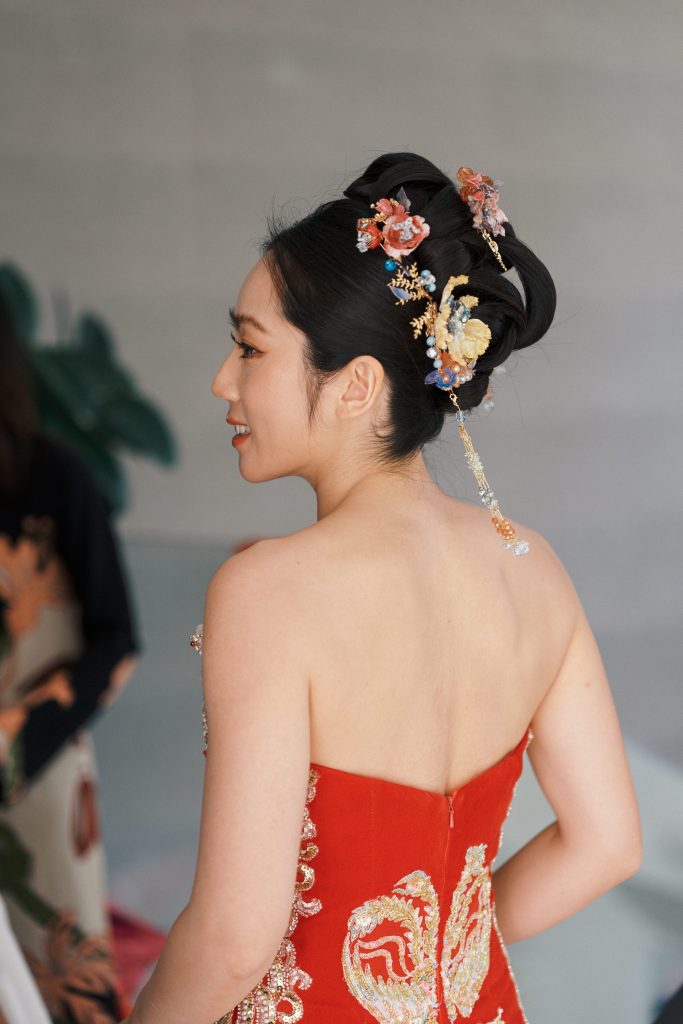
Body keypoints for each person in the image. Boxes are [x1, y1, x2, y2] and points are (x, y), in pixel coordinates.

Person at [124, 152, 642, 1024]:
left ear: (356, 385)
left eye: (249, 348)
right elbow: (605, 845)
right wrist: (441, 962)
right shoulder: (532, 566)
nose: (222, 380)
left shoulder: (268, 591)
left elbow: (234, 937)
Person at [0, 289, 140, 1023]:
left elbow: (116, 641)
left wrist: (16, 737)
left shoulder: (55, 480)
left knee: (64, 987)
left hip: (38, 769)